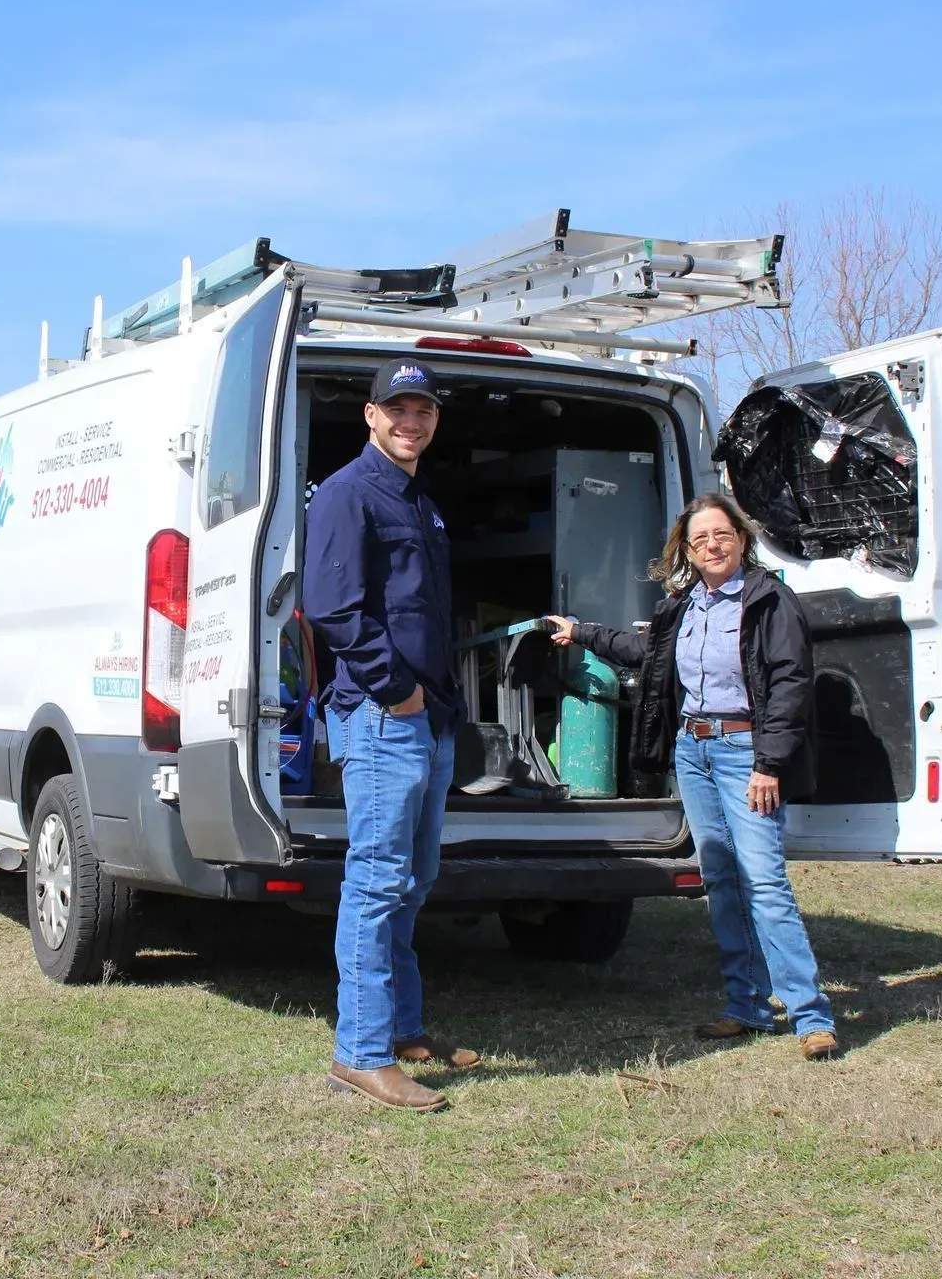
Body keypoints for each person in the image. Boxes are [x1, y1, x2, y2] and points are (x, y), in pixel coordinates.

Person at [547, 493, 840, 1061]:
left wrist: (769, 763)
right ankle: (748, 1005)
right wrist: (581, 632)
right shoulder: (684, 607)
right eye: (700, 538)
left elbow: (790, 685)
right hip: (694, 751)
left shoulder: (769, 601)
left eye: (722, 534)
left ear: (742, 539)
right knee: (723, 880)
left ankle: (810, 1016)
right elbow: (645, 653)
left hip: (745, 752)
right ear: (686, 549)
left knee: (765, 882)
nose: (712, 545)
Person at [304, 358, 482, 1112]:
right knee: (376, 883)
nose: (413, 422)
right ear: (371, 417)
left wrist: (435, 700)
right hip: (384, 718)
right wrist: (398, 689)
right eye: (398, 410)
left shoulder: (417, 500)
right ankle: (360, 1053)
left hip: (426, 716)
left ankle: (403, 1028)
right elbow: (332, 607)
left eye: (425, 411)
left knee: (414, 880)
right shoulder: (350, 493)